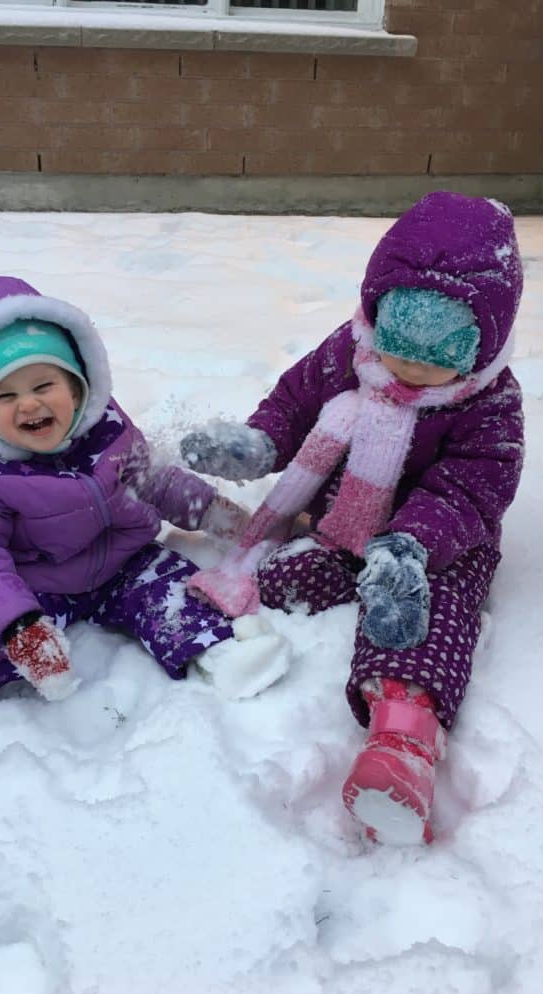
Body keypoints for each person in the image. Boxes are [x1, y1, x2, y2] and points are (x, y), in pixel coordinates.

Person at [180, 192, 525, 845]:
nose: (413, 368)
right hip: (342, 526)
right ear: (375, 313)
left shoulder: (490, 403)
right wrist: (258, 444)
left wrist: (413, 544)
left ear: (484, 342)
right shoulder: (350, 351)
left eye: (442, 350)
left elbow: (477, 486)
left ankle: (403, 741)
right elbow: (295, 402)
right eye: (400, 342)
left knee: (419, 615)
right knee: (281, 586)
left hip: (437, 547)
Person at [0, 275, 289, 736]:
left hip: (126, 562)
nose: (28, 405)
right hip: (37, 581)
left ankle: (222, 651)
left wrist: (212, 512)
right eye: (4, 395)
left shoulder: (107, 430)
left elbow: (153, 479)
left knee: (172, 590)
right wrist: (19, 626)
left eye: (44, 384)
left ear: (79, 386)